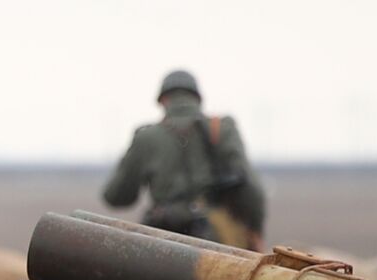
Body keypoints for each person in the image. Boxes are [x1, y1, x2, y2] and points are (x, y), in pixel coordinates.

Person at [103, 70, 267, 250]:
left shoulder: (146, 137)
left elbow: (116, 196)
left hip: (161, 243)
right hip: (217, 245)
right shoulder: (221, 129)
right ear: (197, 99)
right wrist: (254, 233)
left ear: (163, 100)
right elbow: (252, 191)